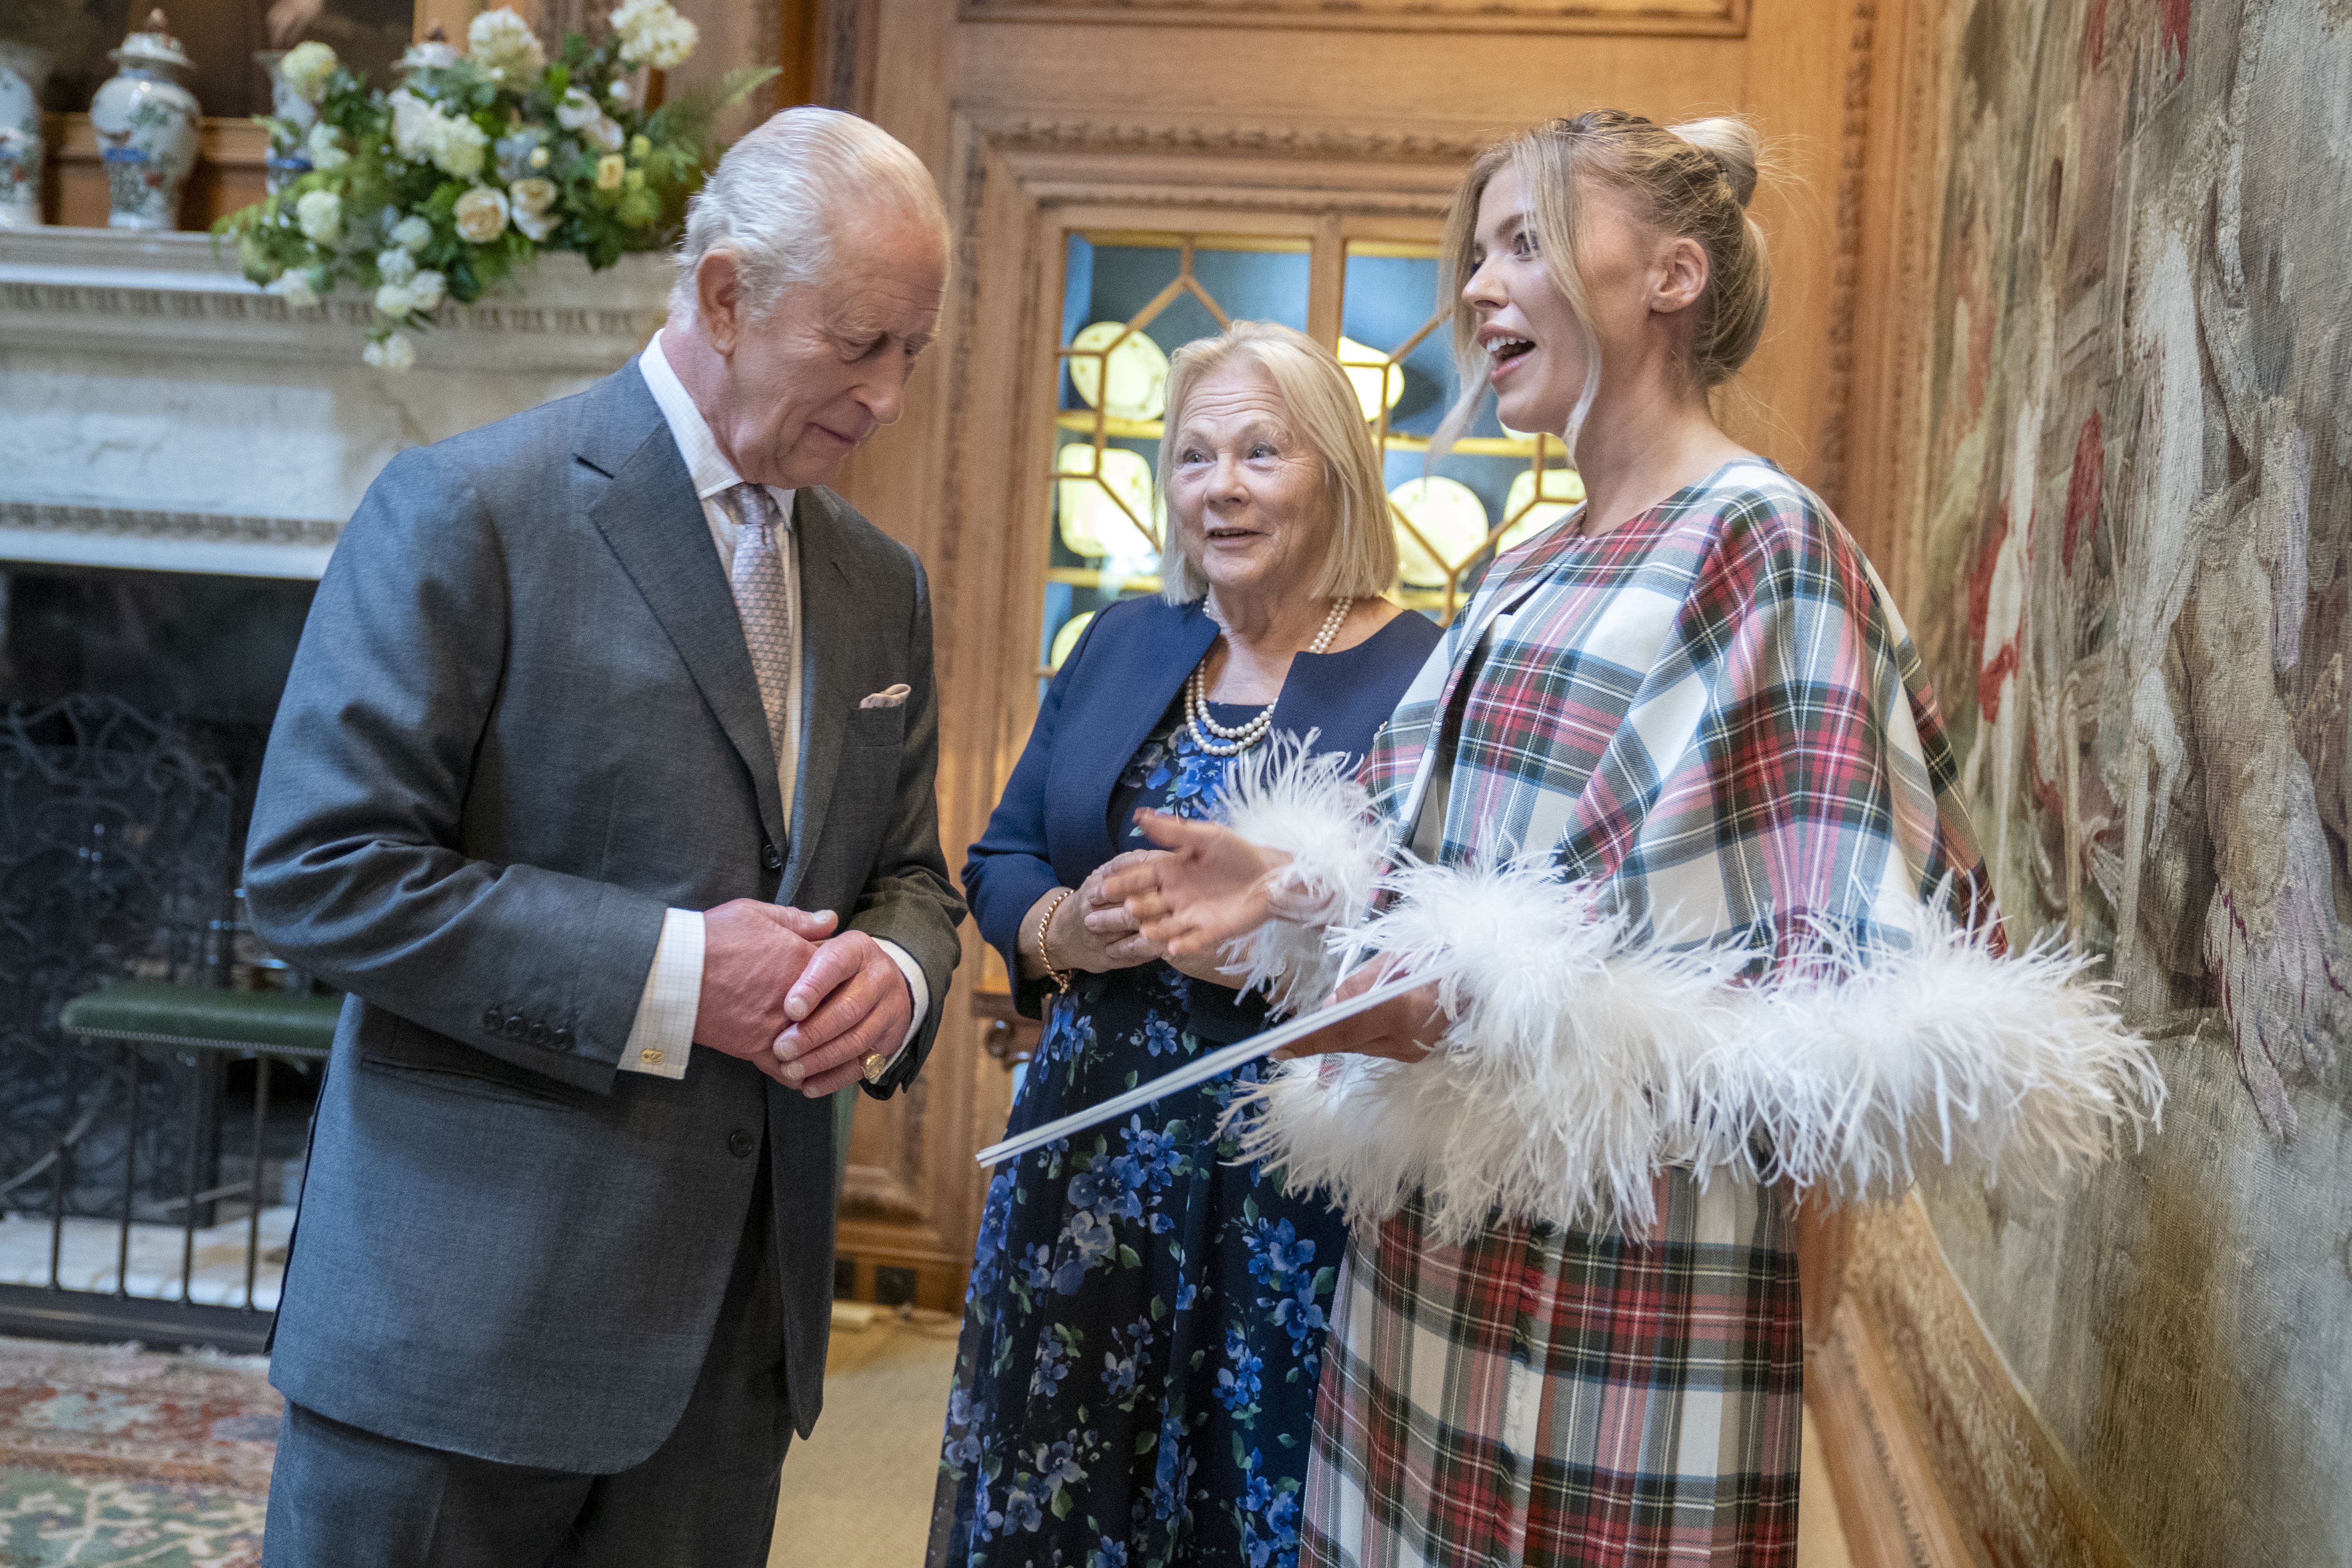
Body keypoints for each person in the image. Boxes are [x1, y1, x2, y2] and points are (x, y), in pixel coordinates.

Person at [1108, 112, 2159, 1567]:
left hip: (1626, 1257)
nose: (1478, 287)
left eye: (1525, 241)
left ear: (1672, 274)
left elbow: (1831, 980)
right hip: (1426, 1246)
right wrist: (1296, 884)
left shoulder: (1762, 542)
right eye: (1474, 253)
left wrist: (1470, 1005)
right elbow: (1424, 858)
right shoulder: (1521, 563)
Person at [242, 108, 966, 1568]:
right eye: (859, 343)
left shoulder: (881, 586)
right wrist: (684, 977)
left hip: (729, 1357)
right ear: (721, 294)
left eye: (913, 354)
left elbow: (909, 878)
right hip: (459, 1339)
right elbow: (319, 876)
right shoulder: (466, 511)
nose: (888, 396)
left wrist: (893, 979)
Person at [932, 322, 1443, 1568]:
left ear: (1336, 472)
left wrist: (1281, 946)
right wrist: (1065, 928)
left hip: (1288, 1176)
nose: (1220, 485)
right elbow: (1000, 860)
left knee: (1246, 1494)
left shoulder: (1422, 670)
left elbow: (1447, 934)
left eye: (1261, 452)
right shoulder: (1122, 643)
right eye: (1194, 454)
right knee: (1054, 1486)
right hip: (1085, 1160)